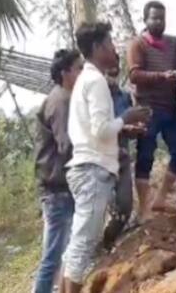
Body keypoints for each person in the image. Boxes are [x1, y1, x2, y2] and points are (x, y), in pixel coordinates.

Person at [62, 22, 150, 293]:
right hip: (93, 171)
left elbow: (91, 128)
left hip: (86, 168)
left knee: (77, 246)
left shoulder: (85, 80)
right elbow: (101, 130)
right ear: (98, 48)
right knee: (82, 247)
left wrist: (122, 123)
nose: (115, 50)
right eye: (111, 44)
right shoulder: (96, 81)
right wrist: (125, 118)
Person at [127, 0, 176, 220]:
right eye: (154, 17)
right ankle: (144, 207)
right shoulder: (138, 44)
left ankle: (160, 198)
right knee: (145, 157)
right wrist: (162, 76)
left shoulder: (173, 43)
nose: (159, 21)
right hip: (147, 109)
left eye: (162, 17)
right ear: (145, 19)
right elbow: (134, 75)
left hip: (169, 108)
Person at [33, 49, 83, 293]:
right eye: (79, 69)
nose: (82, 73)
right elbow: (66, 145)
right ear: (65, 73)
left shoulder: (62, 97)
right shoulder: (62, 100)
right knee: (53, 256)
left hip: (59, 186)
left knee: (62, 251)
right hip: (57, 188)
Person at [101, 56, 140, 250]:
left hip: (122, 156)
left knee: (125, 206)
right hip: (101, 160)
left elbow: (129, 123)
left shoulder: (124, 97)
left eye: (115, 71)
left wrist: (135, 129)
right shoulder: (96, 98)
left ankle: (108, 240)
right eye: (109, 72)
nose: (112, 76)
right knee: (104, 208)